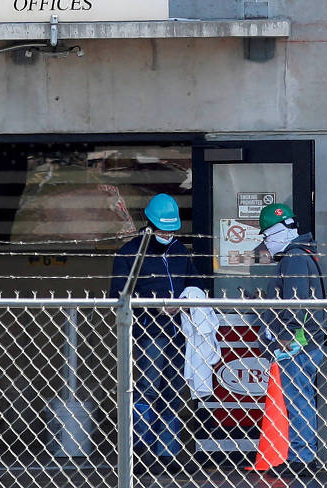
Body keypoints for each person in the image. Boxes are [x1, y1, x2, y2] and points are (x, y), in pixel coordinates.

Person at [109, 194, 196, 469]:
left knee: (172, 390)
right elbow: (118, 296)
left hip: (179, 331)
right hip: (149, 333)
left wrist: (185, 303)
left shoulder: (181, 251)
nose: (166, 234)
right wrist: (154, 307)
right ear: (149, 224)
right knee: (147, 390)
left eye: (171, 230)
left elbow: (195, 284)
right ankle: (141, 452)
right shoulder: (130, 253)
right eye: (162, 229)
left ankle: (167, 453)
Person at [255, 204, 327, 475]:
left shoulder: (294, 258)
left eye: (267, 236)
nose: (266, 243)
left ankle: (302, 459)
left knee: (298, 399)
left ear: (279, 232)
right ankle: (301, 454)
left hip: (300, 344)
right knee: (300, 397)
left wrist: (288, 338)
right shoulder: (302, 254)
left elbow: (296, 303)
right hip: (306, 341)